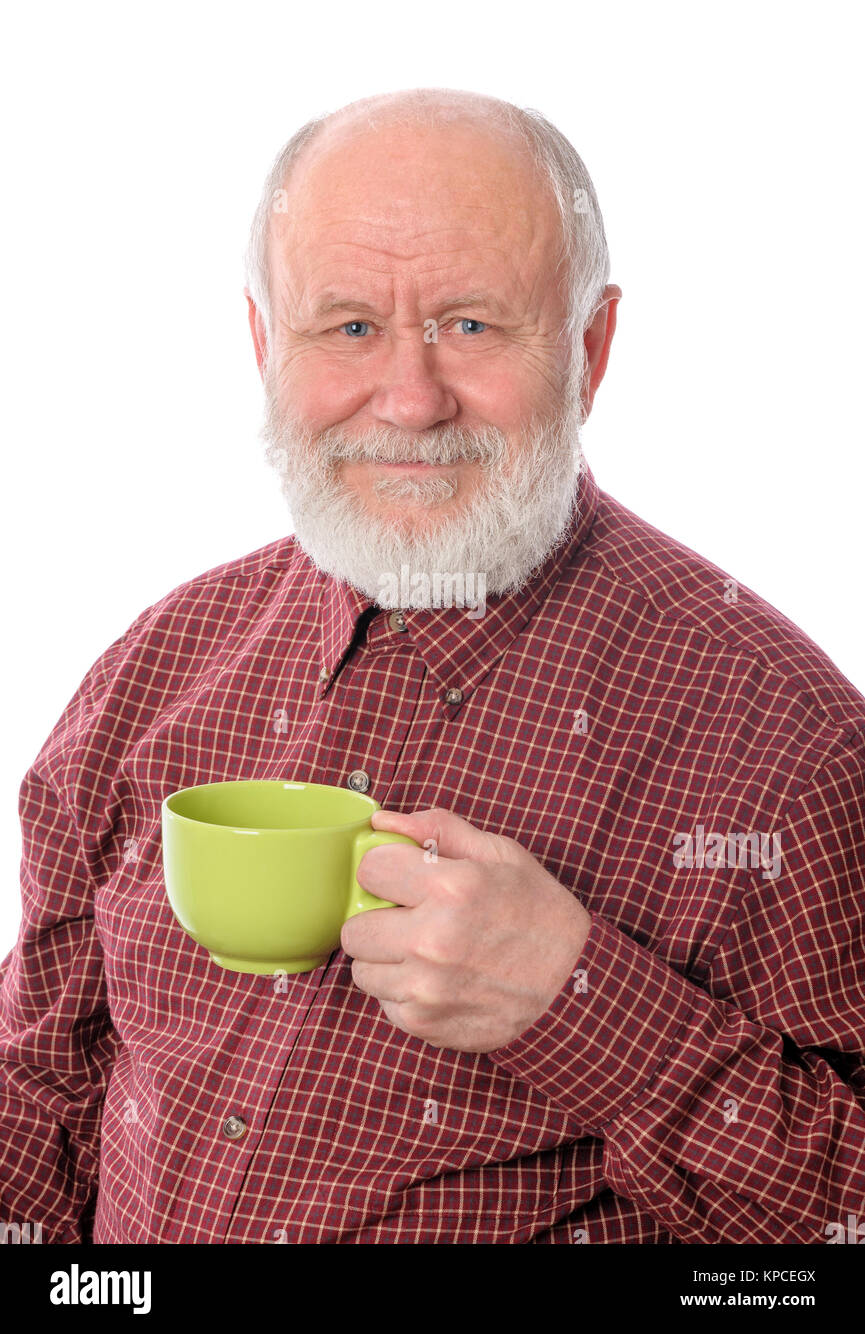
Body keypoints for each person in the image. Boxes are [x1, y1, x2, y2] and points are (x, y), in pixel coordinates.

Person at [1, 87, 863, 1245]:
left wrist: (582, 1004)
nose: (407, 402)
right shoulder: (158, 668)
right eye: (348, 327)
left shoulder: (786, 746)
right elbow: (41, 1096)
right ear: (266, 344)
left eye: (469, 324)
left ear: (590, 348)